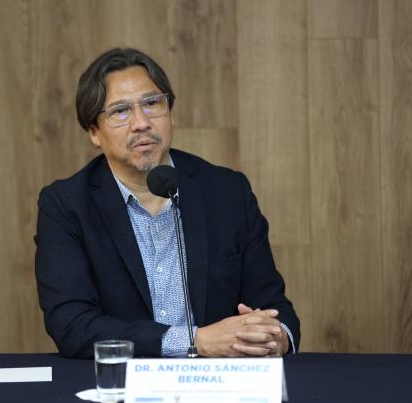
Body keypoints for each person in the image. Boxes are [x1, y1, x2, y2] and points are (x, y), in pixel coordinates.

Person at [34, 47, 300, 359]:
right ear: (94, 131)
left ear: (170, 111)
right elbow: (72, 325)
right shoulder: (66, 206)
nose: (141, 123)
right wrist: (195, 341)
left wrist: (276, 337)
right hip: (123, 380)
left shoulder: (227, 191)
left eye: (152, 104)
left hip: (219, 379)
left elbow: (273, 306)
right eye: (120, 111)